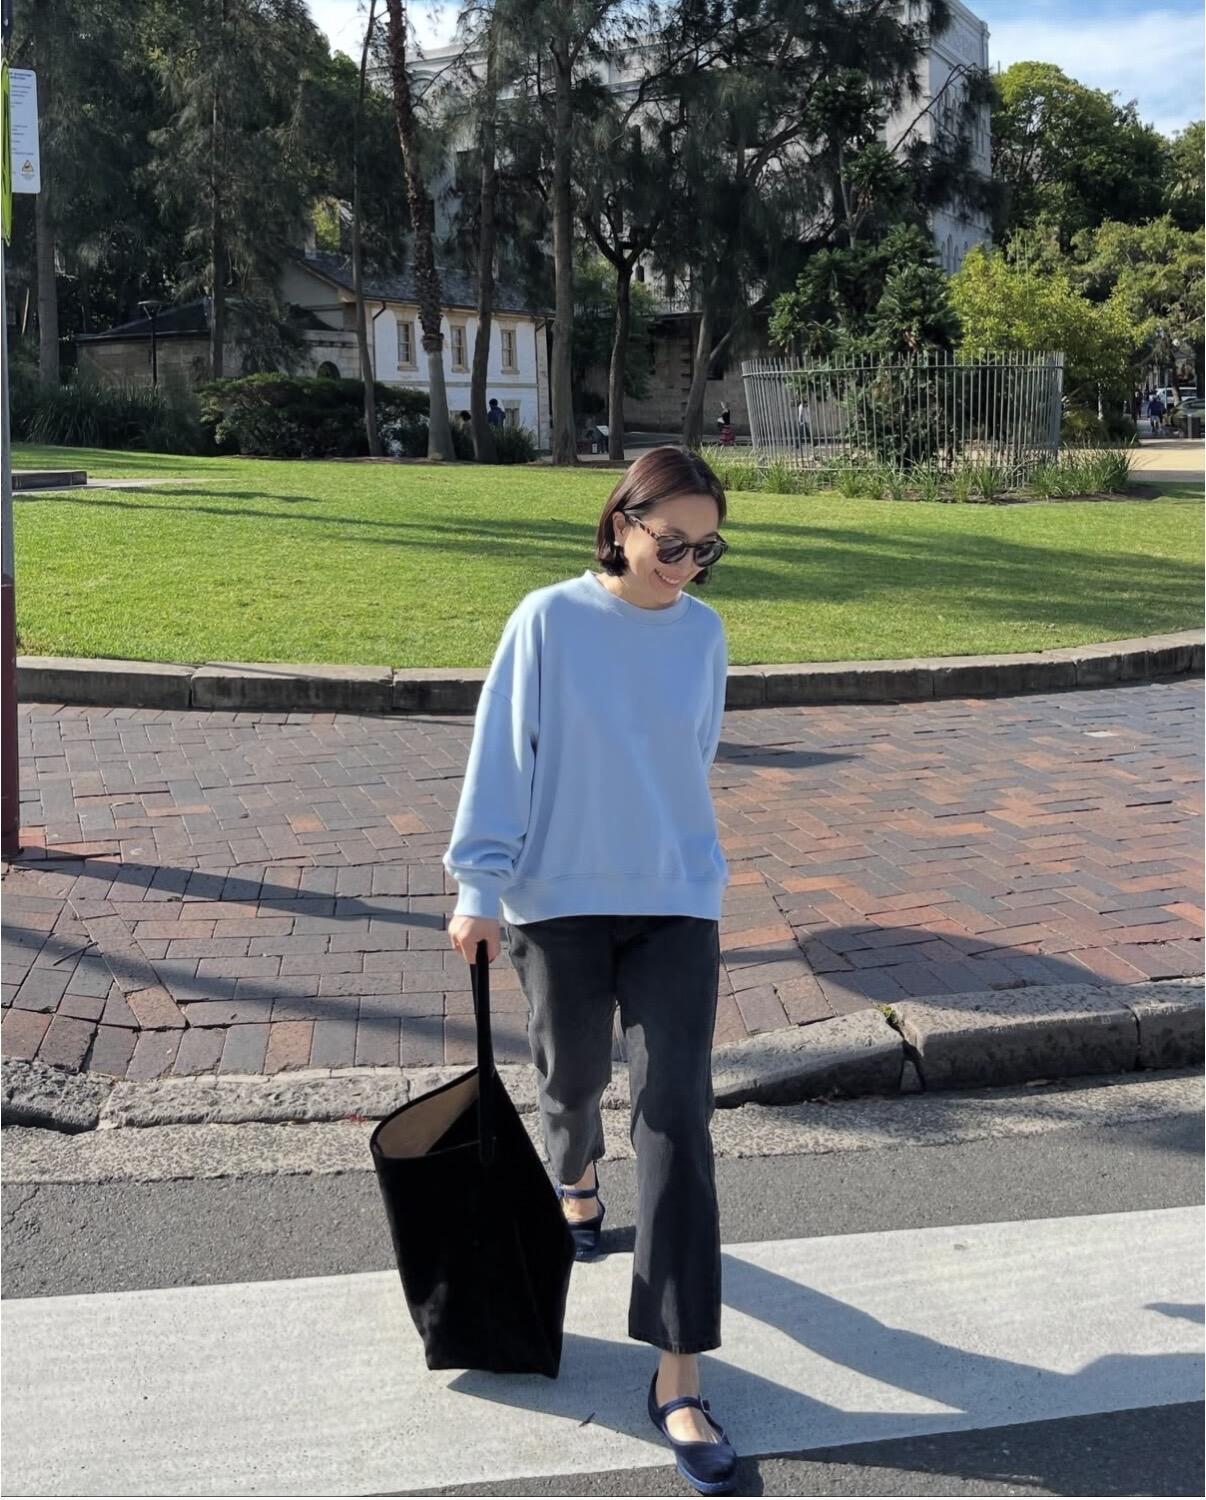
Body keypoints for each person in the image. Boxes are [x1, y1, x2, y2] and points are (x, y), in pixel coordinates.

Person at [444, 446, 738, 1495]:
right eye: (673, 542)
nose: (688, 565)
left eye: (707, 550)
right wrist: (478, 885)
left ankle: (679, 1371)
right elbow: (501, 752)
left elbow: (692, 756)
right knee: (569, 1079)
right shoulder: (549, 621)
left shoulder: (704, 635)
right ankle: (573, 1174)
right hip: (556, 901)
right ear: (620, 525)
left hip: (675, 901)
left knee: (678, 1114)